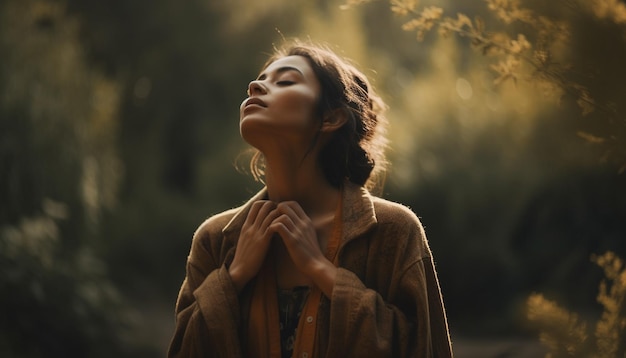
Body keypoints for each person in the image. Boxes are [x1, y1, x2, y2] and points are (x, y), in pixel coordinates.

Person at [167, 41, 453, 358]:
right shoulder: (215, 239)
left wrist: (321, 270)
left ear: (331, 118)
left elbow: (422, 347)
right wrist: (233, 278)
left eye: (285, 81)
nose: (254, 86)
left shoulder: (393, 231)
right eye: (259, 79)